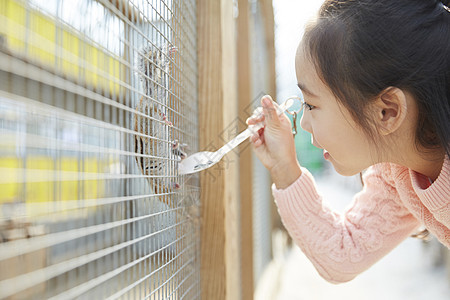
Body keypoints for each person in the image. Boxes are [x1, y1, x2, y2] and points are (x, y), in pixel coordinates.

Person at [247, 0, 449, 283]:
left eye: (312, 105)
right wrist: (284, 166)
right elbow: (343, 253)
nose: (303, 122)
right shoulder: (397, 172)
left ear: (387, 111)